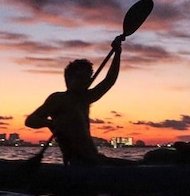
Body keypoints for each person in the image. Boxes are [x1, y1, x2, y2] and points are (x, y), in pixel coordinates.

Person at [25, 36, 124, 166]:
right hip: (76, 161)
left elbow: (109, 80)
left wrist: (117, 53)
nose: (84, 82)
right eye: (80, 77)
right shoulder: (58, 99)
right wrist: (50, 123)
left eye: (87, 78)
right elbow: (30, 121)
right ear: (68, 78)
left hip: (94, 158)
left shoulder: (85, 98)